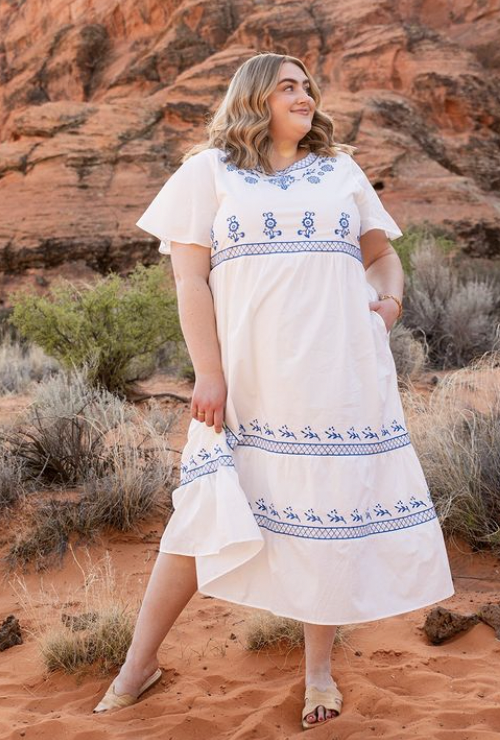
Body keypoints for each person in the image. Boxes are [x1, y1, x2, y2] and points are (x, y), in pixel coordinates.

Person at [93, 52, 455, 729]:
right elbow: (190, 281)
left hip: (340, 380)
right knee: (200, 514)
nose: (304, 94)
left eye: (308, 86)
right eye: (288, 85)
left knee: (329, 513)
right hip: (249, 382)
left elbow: (382, 256)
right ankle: (138, 665)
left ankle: (318, 672)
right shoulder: (209, 172)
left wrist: (390, 305)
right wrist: (209, 372)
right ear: (255, 98)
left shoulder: (341, 171)